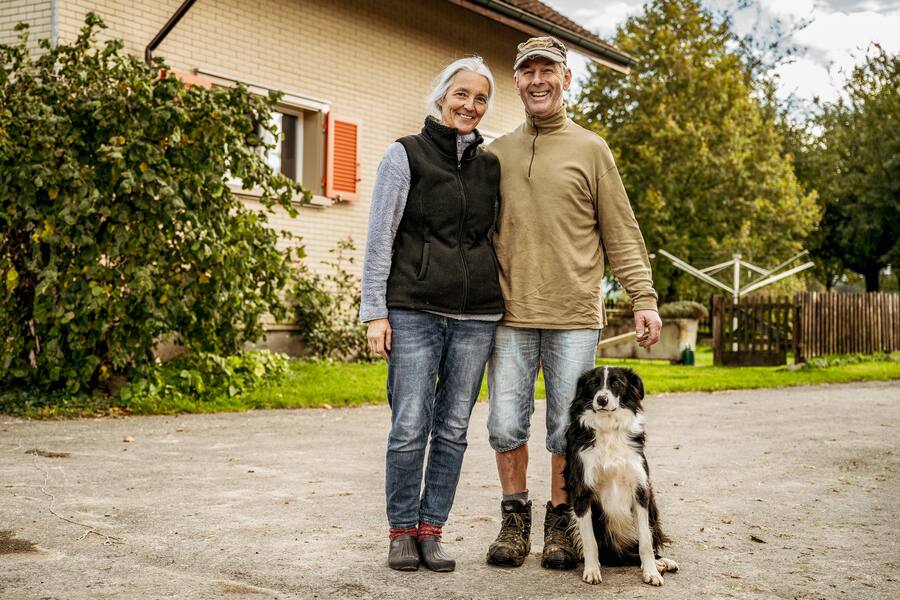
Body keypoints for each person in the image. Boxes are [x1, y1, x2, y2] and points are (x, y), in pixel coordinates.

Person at [484, 36, 662, 570]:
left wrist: (643, 298)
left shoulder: (592, 149)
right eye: (527, 71)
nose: (537, 80)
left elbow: (622, 231)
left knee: (571, 427)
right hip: (510, 315)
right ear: (516, 81)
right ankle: (514, 521)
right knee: (504, 426)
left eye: (548, 71)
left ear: (566, 79)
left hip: (573, 318)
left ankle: (562, 524)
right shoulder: (495, 153)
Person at [360, 56, 504, 573]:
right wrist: (376, 312)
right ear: (443, 96)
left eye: (481, 98)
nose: (470, 105)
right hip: (415, 309)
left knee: (453, 430)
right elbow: (380, 239)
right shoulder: (405, 155)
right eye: (462, 94)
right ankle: (401, 530)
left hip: (477, 316)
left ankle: (431, 529)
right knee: (409, 425)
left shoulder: (491, 166)